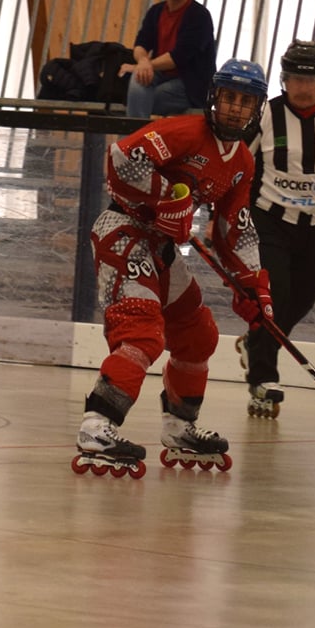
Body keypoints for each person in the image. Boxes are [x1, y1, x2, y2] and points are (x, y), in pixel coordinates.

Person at [74, 59, 272, 478]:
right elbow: (121, 159)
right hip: (124, 231)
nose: (235, 108)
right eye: (229, 98)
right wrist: (169, 197)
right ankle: (97, 426)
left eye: (245, 101)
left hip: (161, 247)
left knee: (199, 336)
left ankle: (180, 426)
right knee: (141, 332)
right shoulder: (183, 131)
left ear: (256, 109)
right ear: (214, 98)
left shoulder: (241, 162)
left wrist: (254, 286)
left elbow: (232, 229)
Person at [240, 39, 315, 418]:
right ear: (284, 79)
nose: (302, 86)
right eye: (295, 78)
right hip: (269, 221)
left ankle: (256, 343)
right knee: (275, 294)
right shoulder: (267, 114)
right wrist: (223, 212)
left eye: (310, 79)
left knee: (302, 301)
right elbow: (238, 164)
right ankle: (263, 379)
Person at [122, 0, 217, 120]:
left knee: (144, 97)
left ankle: (132, 142)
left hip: (191, 85)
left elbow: (178, 57)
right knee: (138, 84)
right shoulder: (156, 11)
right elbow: (140, 45)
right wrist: (143, 62)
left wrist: (144, 66)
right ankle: (136, 143)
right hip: (161, 75)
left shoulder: (199, 16)